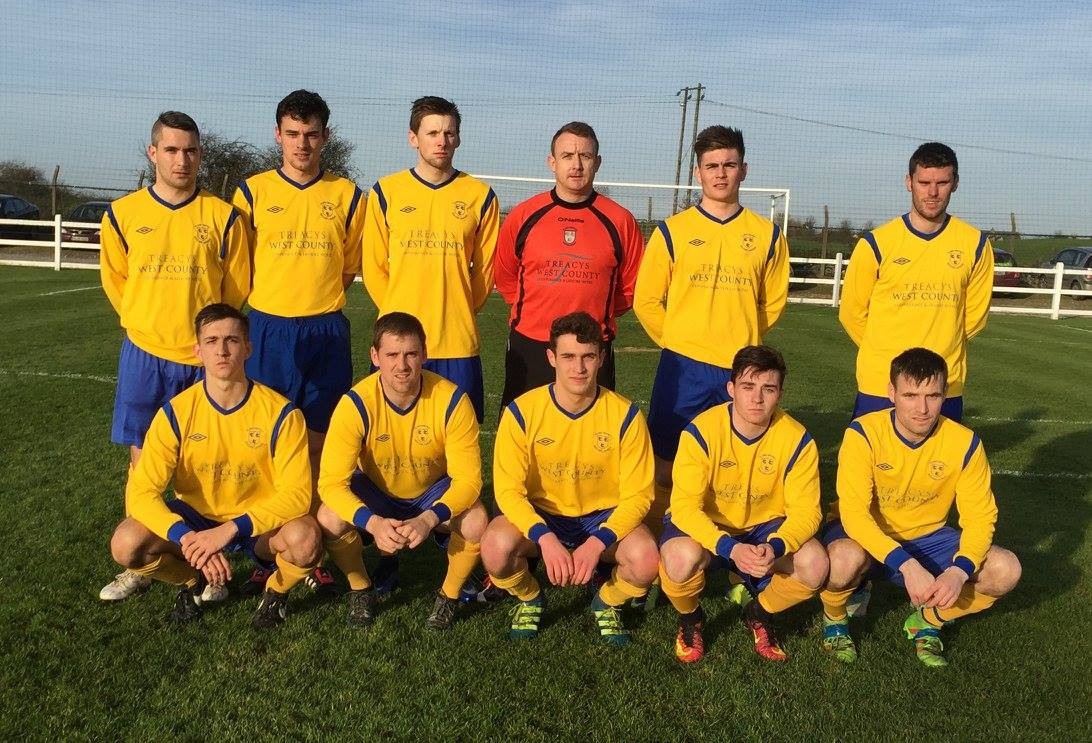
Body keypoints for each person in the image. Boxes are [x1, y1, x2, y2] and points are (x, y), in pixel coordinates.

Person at [98, 111, 251, 602]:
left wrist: (206, 343)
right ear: (153, 153)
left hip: (201, 360)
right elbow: (117, 282)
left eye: (190, 150)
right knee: (143, 460)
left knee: (204, 461)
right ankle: (144, 565)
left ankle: (211, 562)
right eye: (171, 149)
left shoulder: (223, 216)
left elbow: (235, 290)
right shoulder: (122, 215)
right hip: (145, 355)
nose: (181, 160)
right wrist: (146, 325)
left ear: (200, 155)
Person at [108, 304, 321, 628]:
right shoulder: (175, 413)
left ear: (247, 348)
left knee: (305, 538)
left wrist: (229, 530)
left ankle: (275, 593)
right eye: (211, 341)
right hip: (195, 518)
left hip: (257, 523)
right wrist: (187, 538)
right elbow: (142, 492)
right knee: (126, 544)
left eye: (232, 340)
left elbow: (297, 496)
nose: (222, 350)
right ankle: (190, 581)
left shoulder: (282, 413)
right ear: (198, 351)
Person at [232, 89, 366, 594]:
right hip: (268, 329)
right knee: (266, 441)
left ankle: (312, 544)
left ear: (325, 136)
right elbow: (241, 264)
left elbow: (349, 266)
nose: (302, 144)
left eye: (311, 134)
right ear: (277, 135)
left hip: (325, 329)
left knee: (318, 441)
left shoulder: (347, 195)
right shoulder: (252, 192)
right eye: (292, 133)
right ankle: (270, 546)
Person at [818, 348, 1021, 667]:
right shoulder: (864, 433)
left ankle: (928, 621)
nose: (922, 408)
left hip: (929, 537)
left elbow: (980, 517)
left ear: (945, 394)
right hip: (864, 535)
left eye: (933, 396)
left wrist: (959, 571)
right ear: (891, 393)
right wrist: (908, 566)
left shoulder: (965, 443)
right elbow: (855, 515)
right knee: (843, 559)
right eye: (910, 395)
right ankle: (835, 619)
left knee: (1006, 570)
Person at [633, 125, 790, 533]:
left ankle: (724, 543)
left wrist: (740, 340)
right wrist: (680, 341)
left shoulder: (767, 235)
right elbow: (646, 301)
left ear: (744, 170)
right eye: (712, 165)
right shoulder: (673, 231)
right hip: (683, 367)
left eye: (729, 165)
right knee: (665, 464)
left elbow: (772, 303)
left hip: (740, 370)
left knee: (731, 465)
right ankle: (660, 543)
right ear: (698, 172)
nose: (721, 173)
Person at [481, 311, 659, 645]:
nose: (579, 368)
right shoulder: (522, 412)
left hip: (602, 517)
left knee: (646, 559)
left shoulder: (625, 415)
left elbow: (639, 496)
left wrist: (597, 543)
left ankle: (607, 601)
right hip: (545, 515)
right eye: (568, 357)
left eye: (588, 357)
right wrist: (545, 539)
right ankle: (530, 597)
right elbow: (507, 491)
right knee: (494, 547)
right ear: (551, 358)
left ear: (601, 358)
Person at [316, 312, 487, 630]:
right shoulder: (356, 404)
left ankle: (448, 596)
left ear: (425, 354)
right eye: (392, 355)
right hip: (376, 491)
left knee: (476, 520)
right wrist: (373, 522)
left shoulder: (452, 400)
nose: (402, 365)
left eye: (410, 354)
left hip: (430, 492)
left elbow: (469, 480)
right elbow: (330, 484)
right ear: (375, 356)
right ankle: (361, 589)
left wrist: (429, 518)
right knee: (328, 517)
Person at [659, 345, 826, 663]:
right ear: (731, 388)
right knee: (679, 558)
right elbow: (684, 507)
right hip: (711, 525)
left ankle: (759, 613)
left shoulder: (798, 439)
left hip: (766, 528)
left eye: (768, 389)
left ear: (780, 394)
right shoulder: (701, 432)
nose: (757, 398)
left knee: (815, 564)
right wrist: (729, 547)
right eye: (748, 386)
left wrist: (777, 546)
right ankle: (691, 618)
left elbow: (807, 511)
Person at [362, 95, 499, 424]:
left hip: (456, 343)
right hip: (399, 345)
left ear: (458, 138)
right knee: (389, 436)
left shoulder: (480, 196)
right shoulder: (386, 192)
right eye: (433, 133)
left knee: (457, 438)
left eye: (449, 133)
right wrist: (397, 318)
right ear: (413, 138)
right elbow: (374, 268)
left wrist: (457, 309)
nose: (442, 141)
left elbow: (484, 272)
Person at [838, 142, 994, 423]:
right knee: (872, 453)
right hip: (881, 383)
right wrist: (890, 356)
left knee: (941, 454)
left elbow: (973, 319)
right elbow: (852, 313)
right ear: (909, 182)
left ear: (955, 184)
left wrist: (935, 356)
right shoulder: (876, 243)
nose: (932, 192)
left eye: (942, 182)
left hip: (943, 385)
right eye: (924, 182)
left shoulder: (976, 244)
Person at [494, 121, 644, 410]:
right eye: (567, 156)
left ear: (597, 162)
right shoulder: (523, 215)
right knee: (522, 429)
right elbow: (506, 276)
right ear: (552, 162)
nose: (576, 165)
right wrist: (536, 314)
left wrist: (594, 317)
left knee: (593, 431)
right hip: (531, 344)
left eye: (585, 156)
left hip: (590, 348)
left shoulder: (620, 220)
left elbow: (630, 287)